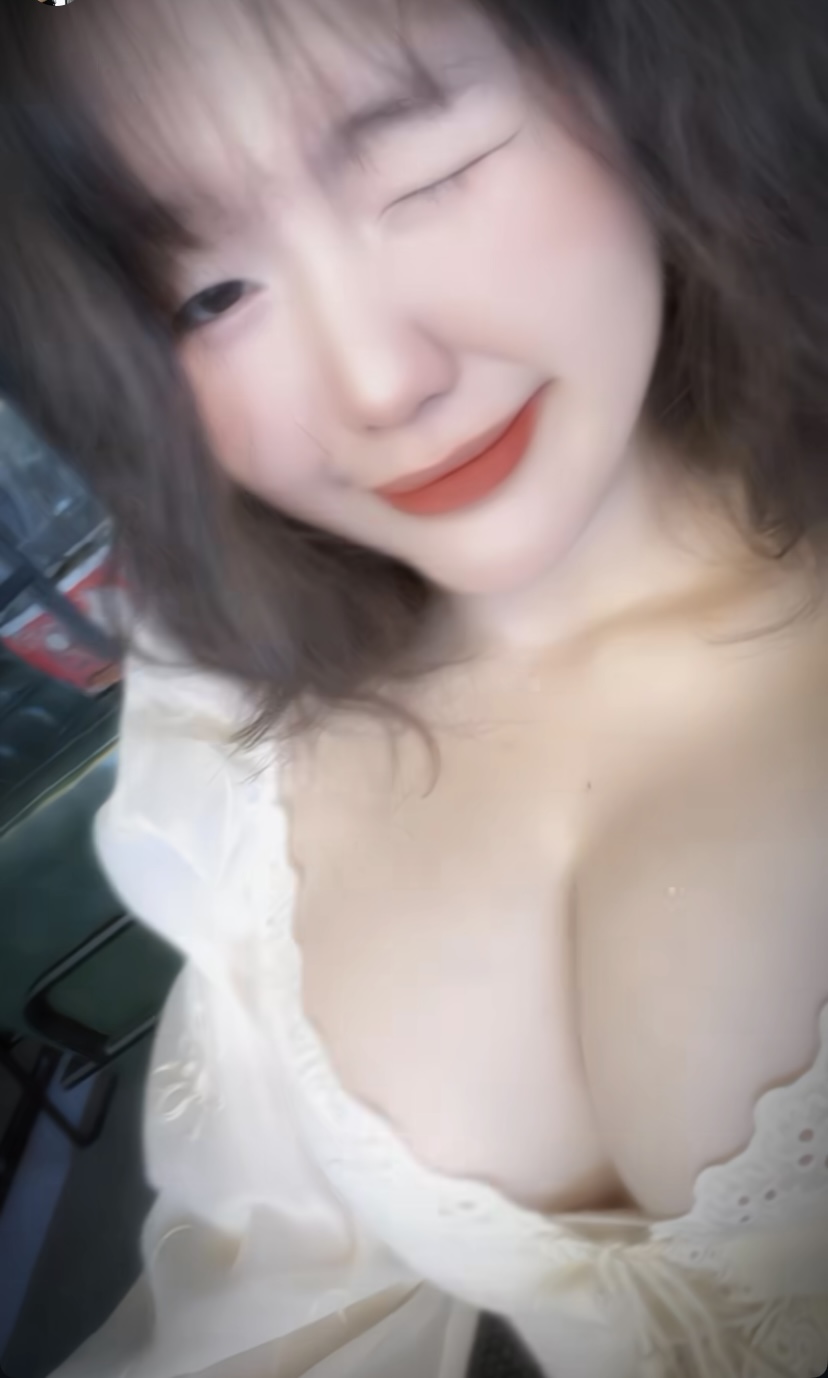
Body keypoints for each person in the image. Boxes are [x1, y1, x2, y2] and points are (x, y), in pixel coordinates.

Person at [1, 1, 828, 1374]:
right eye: (209, 297)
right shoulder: (229, 733)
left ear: (642, 71)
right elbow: (273, 1301)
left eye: (430, 170)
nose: (382, 385)